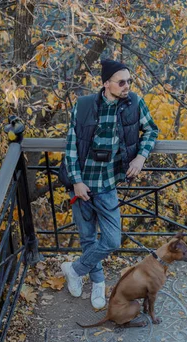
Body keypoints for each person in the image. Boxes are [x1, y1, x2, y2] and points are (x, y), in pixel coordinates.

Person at [60, 59, 159, 309]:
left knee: (113, 240)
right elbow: (71, 149)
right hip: (82, 185)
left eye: (129, 81)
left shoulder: (134, 103)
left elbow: (151, 131)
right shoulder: (83, 107)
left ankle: (74, 269)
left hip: (108, 183)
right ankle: (98, 282)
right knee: (88, 238)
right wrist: (77, 182)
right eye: (121, 82)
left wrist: (141, 156)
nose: (127, 86)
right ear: (106, 84)